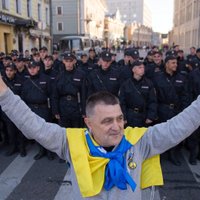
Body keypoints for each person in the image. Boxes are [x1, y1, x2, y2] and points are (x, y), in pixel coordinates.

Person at [1, 78, 200, 199]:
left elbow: (179, 126)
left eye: (120, 118)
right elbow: (33, 125)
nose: (117, 127)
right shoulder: (72, 143)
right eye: (107, 121)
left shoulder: (138, 141)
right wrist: (3, 94)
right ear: (88, 122)